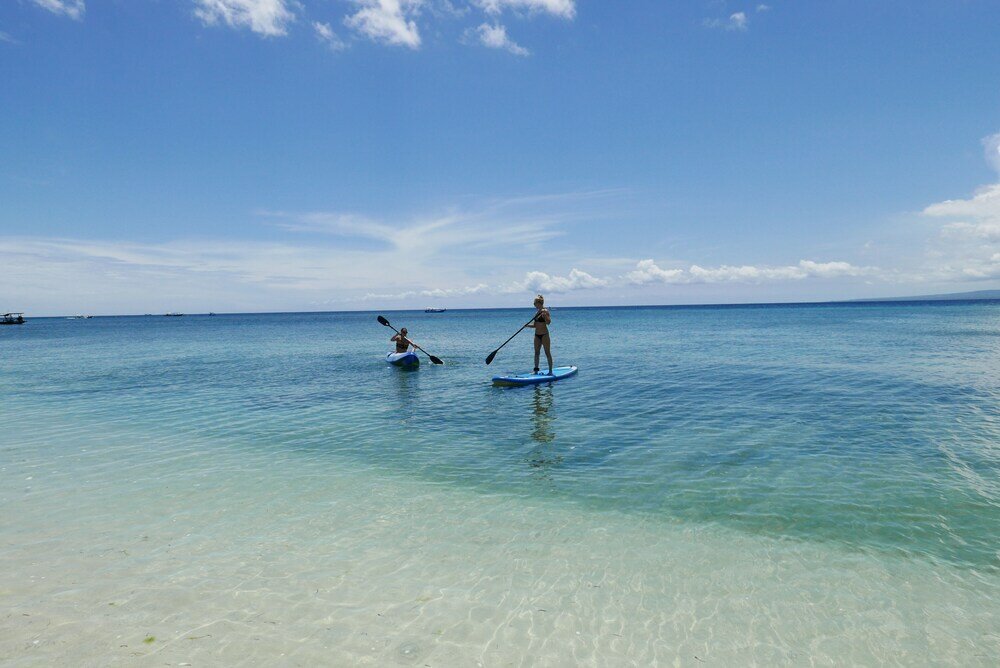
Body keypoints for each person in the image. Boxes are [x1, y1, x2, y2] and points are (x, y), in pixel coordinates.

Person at [525, 294, 553, 374]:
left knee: (547, 352)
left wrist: (545, 317)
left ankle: (550, 371)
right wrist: (527, 326)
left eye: (535, 303)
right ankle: (536, 371)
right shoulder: (536, 313)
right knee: (536, 353)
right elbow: (535, 325)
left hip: (544, 335)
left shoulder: (545, 311)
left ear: (539, 303)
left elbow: (548, 323)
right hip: (537, 335)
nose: (534, 305)